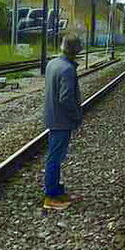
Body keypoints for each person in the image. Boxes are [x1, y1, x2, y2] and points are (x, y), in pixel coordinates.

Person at [42, 34, 83, 210]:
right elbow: (65, 98)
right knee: (55, 158)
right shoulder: (67, 69)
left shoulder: (52, 64)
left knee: (55, 156)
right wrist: (76, 115)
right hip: (61, 120)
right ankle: (50, 196)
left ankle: (57, 190)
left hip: (52, 117)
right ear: (76, 50)